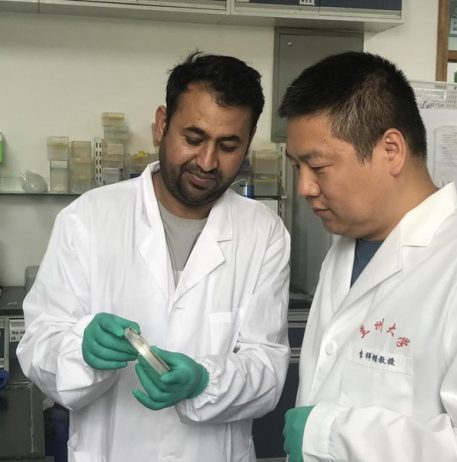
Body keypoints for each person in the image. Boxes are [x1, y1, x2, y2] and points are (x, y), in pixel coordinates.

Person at [17, 51, 290, 462]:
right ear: (162, 124)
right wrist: (81, 353)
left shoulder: (264, 232)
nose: (207, 162)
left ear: (247, 142)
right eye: (193, 138)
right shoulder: (88, 218)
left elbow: (267, 369)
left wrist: (205, 381)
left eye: (228, 146)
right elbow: (39, 345)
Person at [279, 51, 457, 462]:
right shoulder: (343, 250)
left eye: (319, 167)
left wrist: (331, 437)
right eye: (297, 167)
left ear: (392, 150)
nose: (305, 187)